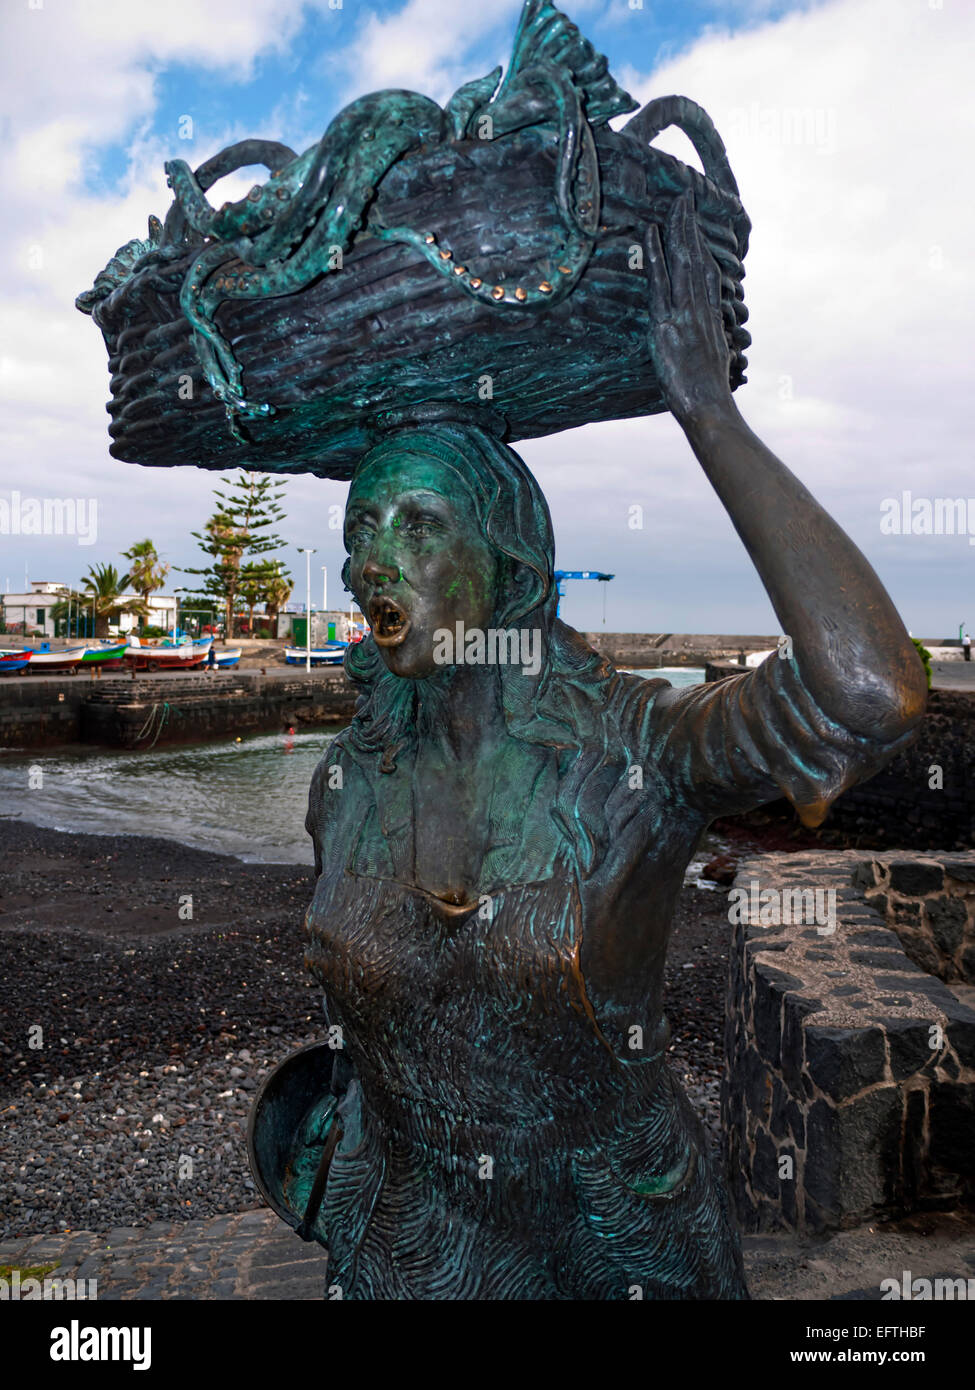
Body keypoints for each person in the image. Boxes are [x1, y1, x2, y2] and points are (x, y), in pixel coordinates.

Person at [294, 194, 926, 1300]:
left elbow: (868, 692)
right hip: (409, 1231)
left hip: (615, 1237)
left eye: (415, 525)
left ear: (513, 561)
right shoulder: (347, 781)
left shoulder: (637, 745)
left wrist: (708, 417)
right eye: (358, 535)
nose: (368, 563)